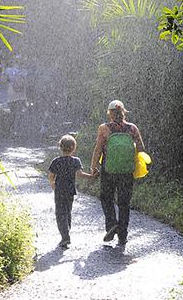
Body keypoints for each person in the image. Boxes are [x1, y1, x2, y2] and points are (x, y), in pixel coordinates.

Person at [90, 100, 145, 248]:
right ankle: (123, 235)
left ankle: (112, 224)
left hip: (109, 170)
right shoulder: (132, 128)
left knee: (106, 197)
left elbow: (98, 149)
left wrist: (93, 166)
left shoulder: (104, 128)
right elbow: (140, 149)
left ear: (109, 113)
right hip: (126, 171)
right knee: (124, 203)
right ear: (124, 112)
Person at [48, 134, 96, 248]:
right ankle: (67, 231)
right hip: (70, 190)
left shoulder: (56, 161)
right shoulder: (76, 161)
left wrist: (52, 183)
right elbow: (79, 174)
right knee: (68, 211)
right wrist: (91, 176)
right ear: (74, 148)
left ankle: (65, 236)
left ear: (60, 147)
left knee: (60, 213)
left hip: (59, 190)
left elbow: (51, 175)